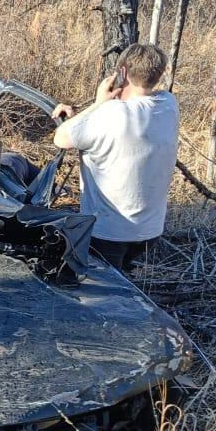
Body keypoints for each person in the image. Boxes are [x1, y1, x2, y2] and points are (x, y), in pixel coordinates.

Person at [51, 42, 179, 271]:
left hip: (108, 233)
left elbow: (61, 138)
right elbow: (118, 125)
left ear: (122, 73)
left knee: (103, 296)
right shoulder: (169, 104)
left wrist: (99, 103)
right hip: (149, 231)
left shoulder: (108, 114)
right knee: (124, 287)